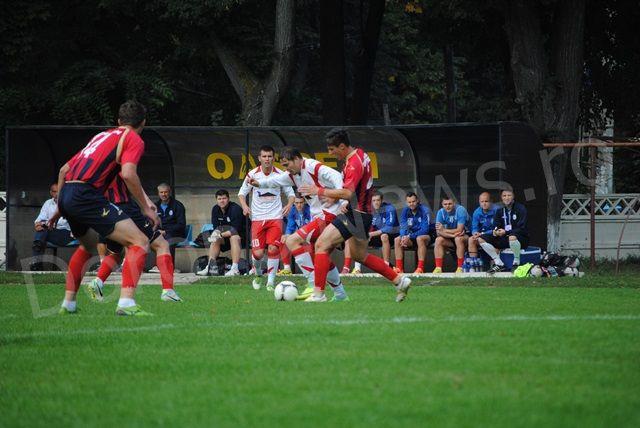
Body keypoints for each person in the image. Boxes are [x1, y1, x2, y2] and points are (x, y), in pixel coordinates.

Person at [51, 100, 160, 316]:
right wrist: (146, 207)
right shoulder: (133, 138)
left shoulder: (101, 136)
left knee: (87, 246)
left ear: (118, 121)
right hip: (86, 195)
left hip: (68, 193)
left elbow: (64, 170)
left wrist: (60, 208)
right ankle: (126, 303)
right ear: (143, 123)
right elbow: (128, 174)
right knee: (139, 242)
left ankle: (68, 304)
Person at [297, 128, 412, 302]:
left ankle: (318, 294)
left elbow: (348, 193)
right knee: (360, 255)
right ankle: (399, 280)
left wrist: (319, 190)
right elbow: (356, 190)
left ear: (342, 146)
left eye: (332, 149)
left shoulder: (353, 164)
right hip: (360, 214)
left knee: (321, 244)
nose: (330, 153)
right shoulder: (360, 154)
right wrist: (341, 201)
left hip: (356, 216)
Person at [248, 147, 347, 301]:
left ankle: (312, 284)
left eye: (287, 165)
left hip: (329, 214)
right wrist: (258, 183)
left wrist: (340, 198)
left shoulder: (312, 166)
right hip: (319, 216)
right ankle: (340, 294)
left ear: (296, 159)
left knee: (292, 240)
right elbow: (274, 181)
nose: (286, 169)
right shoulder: (292, 175)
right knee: (321, 256)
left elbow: (336, 176)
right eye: (283, 166)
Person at [86, 174, 182, 302]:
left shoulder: (94, 166)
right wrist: (147, 205)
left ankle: (97, 282)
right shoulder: (117, 162)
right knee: (161, 245)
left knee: (116, 253)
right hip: (125, 207)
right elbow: (128, 176)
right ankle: (167, 291)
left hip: (107, 210)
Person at [239, 145, 295, 291]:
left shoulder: (281, 174)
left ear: (273, 158)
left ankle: (271, 282)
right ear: (259, 158)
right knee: (258, 254)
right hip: (257, 218)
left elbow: (291, 194)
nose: (267, 159)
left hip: (275, 217)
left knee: (273, 248)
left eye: (270, 156)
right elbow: (241, 193)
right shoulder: (252, 174)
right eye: (264, 156)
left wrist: (289, 204)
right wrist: (245, 206)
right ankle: (258, 274)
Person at [478, 189, 529, 274]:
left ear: (513, 197)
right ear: (501, 198)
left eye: (509, 195)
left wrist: (507, 232)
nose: (507, 198)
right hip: (504, 237)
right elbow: (495, 226)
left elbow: (522, 228)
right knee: (481, 239)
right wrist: (496, 231)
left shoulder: (521, 208)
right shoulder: (500, 210)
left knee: (512, 237)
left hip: (520, 238)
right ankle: (499, 263)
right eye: (504, 196)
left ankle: (516, 262)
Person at [196, 189, 245, 276]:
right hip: (225, 236)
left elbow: (235, 230)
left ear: (228, 199)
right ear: (216, 200)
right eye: (219, 199)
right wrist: (215, 235)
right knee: (215, 239)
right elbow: (216, 227)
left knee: (234, 237)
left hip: (242, 237)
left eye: (224, 198)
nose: (222, 201)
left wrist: (220, 235)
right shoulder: (215, 209)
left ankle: (235, 269)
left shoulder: (235, 209)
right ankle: (210, 267)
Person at [31, 183, 74, 268]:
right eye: (54, 192)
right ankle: (37, 262)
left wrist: (43, 224)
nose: (57, 194)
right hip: (50, 232)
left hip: (66, 233)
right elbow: (39, 219)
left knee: (40, 237)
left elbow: (69, 222)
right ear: (51, 192)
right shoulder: (48, 203)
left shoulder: (69, 203)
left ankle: (36, 264)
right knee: (41, 231)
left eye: (59, 192)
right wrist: (38, 224)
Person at [394, 192, 431, 274]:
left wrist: (409, 236)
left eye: (413, 201)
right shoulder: (405, 210)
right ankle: (399, 268)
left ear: (417, 200)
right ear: (406, 202)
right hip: (410, 238)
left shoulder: (425, 210)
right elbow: (403, 226)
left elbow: (425, 230)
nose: (411, 204)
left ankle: (420, 268)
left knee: (419, 238)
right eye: (409, 202)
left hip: (425, 237)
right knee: (397, 239)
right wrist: (404, 236)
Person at [433, 197, 470, 273]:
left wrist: (444, 230)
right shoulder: (441, 212)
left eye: (450, 204)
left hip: (465, 236)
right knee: (438, 240)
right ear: (442, 204)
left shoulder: (460, 210)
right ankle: (438, 268)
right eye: (445, 204)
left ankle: (460, 267)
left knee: (458, 239)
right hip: (451, 237)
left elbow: (460, 230)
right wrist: (452, 235)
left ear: (454, 203)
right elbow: (438, 232)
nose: (447, 206)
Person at [279, 195, 311, 275]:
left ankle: (313, 268)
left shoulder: (310, 210)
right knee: (284, 239)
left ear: (305, 202)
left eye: (301, 203)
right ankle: (287, 269)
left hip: (310, 235)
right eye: (296, 203)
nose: (299, 205)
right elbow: (290, 226)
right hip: (299, 235)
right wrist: (287, 235)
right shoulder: (293, 210)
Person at [155, 182, 186, 263]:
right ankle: (157, 265)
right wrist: (157, 231)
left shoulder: (178, 205)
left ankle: (169, 265)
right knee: (150, 240)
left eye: (165, 192)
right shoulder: (155, 206)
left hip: (176, 234)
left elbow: (181, 225)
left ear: (169, 192)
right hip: (160, 232)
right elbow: (152, 222)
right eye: (161, 192)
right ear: (158, 193)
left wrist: (166, 231)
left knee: (168, 240)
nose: (163, 194)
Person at [467, 192, 497, 269]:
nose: (484, 204)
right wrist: (475, 233)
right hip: (482, 236)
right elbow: (474, 227)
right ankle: (474, 265)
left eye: (486, 201)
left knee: (498, 240)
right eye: (482, 202)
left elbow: (497, 228)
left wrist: (483, 233)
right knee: (471, 239)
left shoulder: (497, 210)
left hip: (494, 235)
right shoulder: (477, 212)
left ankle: (495, 264)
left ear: (491, 201)